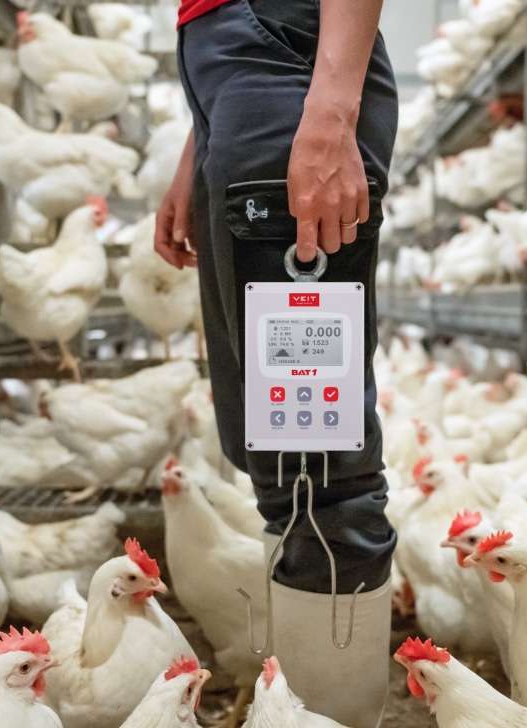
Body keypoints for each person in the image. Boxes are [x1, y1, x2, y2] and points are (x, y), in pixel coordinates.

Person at [155, 1, 398, 726]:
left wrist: (328, 109)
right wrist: (199, 148)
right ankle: (295, 702)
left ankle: (330, 714)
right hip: (236, 71)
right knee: (276, 454)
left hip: (282, 50)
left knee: (318, 476)